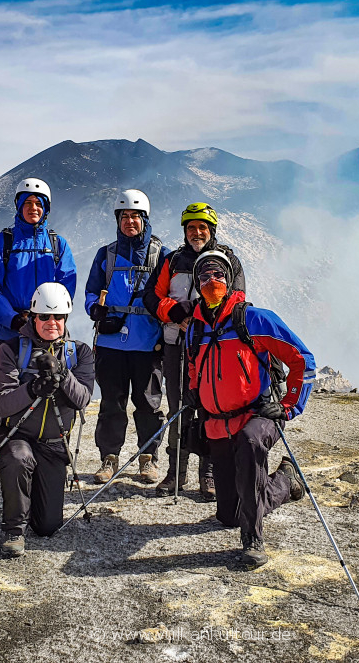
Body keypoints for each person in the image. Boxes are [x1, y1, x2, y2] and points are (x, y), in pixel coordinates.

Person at [184, 250, 313, 569]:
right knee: (229, 515)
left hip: (259, 415)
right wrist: (193, 394)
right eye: (204, 276)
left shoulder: (252, 319)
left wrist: (289, 406)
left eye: (218, 275)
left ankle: (254, 540)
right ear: (197, 285)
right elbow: (192, 366)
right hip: (217, 423)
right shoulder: (195, 329)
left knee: (250, 445)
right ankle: (285, 481)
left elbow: (303, 359)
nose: (211, 281)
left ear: (229, 281)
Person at [143, 202, 246, 501]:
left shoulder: (227, 259)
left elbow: (237, 298)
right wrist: (174, 313)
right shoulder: (172, 260)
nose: (196, 233)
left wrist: (197, 315)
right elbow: (152, 296)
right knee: (178, 408)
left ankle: (209, 473)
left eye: (202, 228)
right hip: (177, 344)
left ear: (211, 230)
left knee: (213, 407)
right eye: (191, 228)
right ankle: (177, 472)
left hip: (212, 346)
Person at [0, 178, 76, 483]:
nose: (33, 208)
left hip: (46, 328)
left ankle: (51, 447)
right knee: (0, 392)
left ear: (46, 209)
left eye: (39, 204)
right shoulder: (3, 242)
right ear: (19, 206)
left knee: (53, 385)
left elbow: (67, 283)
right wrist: (14, 319)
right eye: (27, 203)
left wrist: (46, 317)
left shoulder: (57, 244)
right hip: (9, 330)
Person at [0, 283, 95, 557]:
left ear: (66, 319)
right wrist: (32, 388)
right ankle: (14, 529)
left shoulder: (78, 352)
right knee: (18, 459)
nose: (52, 322)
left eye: (58, 317)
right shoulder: (11, 350)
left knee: (48, 526)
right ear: (33, 317)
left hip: (53, 441)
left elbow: (82, 399)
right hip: (18, 435)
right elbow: (1, 404)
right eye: (44, 317)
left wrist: (62, 375)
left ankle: (33, 499)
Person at [84, 189, 170, 484]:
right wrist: (94, 308)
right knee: (111, 402)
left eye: (135, 216)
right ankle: (109, 458)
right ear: (117, 220)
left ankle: (148, 459)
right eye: (124, 216)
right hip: (110, 342)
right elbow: (91, 291)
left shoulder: (161, 255)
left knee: (148, 403)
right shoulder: (106, 254)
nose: (129, 221)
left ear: (145, 220)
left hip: (148, 343)